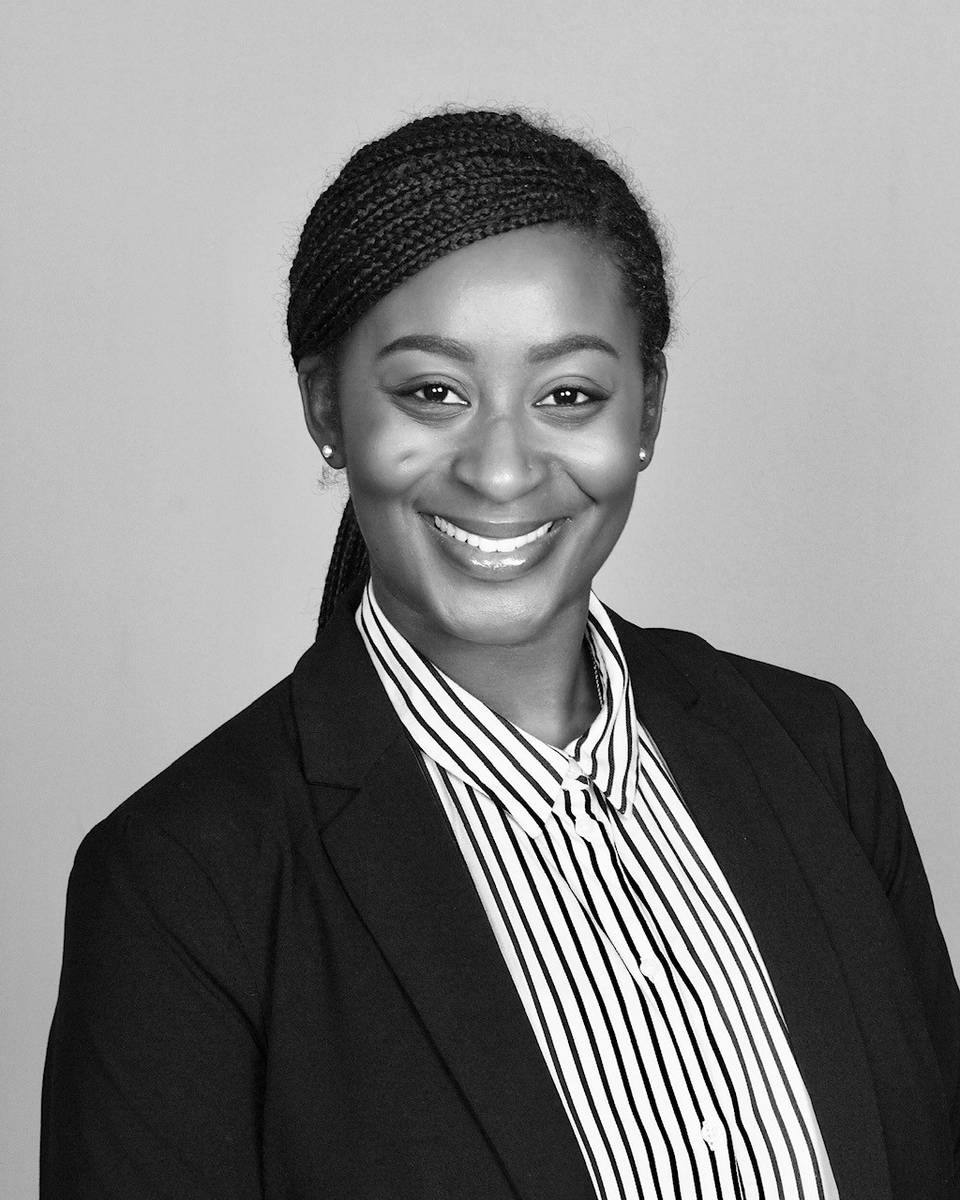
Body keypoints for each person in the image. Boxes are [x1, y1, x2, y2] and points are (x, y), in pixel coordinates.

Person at [41, 109, 960, 1200]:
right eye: (433, 393)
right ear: (328, 408)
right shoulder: (182, 885)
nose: (503, 469)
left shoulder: (815, 756)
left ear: (647, 411)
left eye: (568, 395)